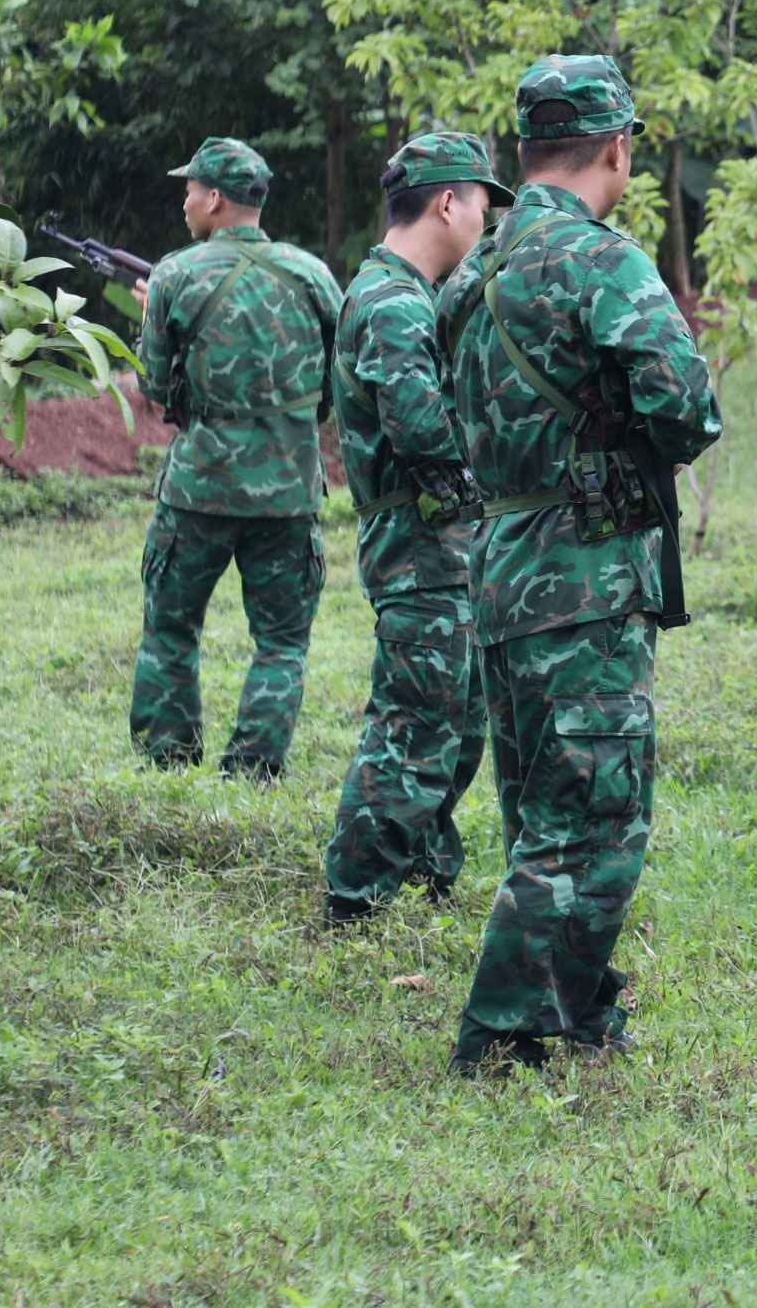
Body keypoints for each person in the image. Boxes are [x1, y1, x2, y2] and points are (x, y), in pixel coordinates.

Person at [433, 54, 722, 1073]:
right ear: (617, 145)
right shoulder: (604, 262)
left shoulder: (475, 272)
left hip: (501, 566)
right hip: (586, 571)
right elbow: (686, 409)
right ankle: (500, 1033)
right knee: (595, 819)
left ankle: (583, 1008)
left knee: (539, 810)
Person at [322, 134, 514, 927]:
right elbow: (424, 431)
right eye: (482, 205)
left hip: (437, 543)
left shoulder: (400, 291)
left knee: (455, 717)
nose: (484, 222)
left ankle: (429, 867)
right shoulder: (394, 301)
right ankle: (356, 895)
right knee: (415, 720)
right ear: (447, 202)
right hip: (418, 544)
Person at [128, 137, 343, 782]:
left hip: (197, 490)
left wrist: (157, 326)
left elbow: (156, 388)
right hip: (289, 494)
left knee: (169, 631)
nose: (186, 200)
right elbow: (333, 392)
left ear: (215, 198)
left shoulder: (172, 275)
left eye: (191, 189)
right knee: (281, 643)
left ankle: (168, 764)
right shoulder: (313, 276)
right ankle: (252, 770)